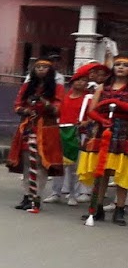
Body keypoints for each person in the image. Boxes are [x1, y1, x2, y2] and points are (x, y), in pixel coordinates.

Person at [8, 57, 63, 214]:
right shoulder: (27, 86)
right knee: (27, 162)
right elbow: (17, 105)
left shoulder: (57, 88)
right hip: (28, 127)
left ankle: (36, 197)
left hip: (46, 129)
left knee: (41, 164)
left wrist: (44, 103)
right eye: (38, 67)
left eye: (44, 67)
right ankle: (27, 195)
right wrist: (25, 110)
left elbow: (58, 109)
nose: (40, 69)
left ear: (50, 70)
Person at [81, 56, 128, 226]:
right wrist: (101, 120)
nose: (120, 67)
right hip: (104, 131)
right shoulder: (102, 87)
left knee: (123, 172)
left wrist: (115, 102)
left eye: (125, 65)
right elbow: (92, 110)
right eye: (118, 65)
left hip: (124, 131)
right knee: (102, 171)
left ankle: (119, 209)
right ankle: (97, 207)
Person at [48, 67, 94, 205]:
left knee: (75, 166)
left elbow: (93, 115)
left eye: (84, 80)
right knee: (58, 164)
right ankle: (56, 193)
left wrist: (86, 122)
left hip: (79, 134)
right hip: (61, 132)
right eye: (78, 80)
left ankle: (74, 194)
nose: (80, 82)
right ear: (72, 82)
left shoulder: (88, 98)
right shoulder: (63, 97)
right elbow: (57, 113)